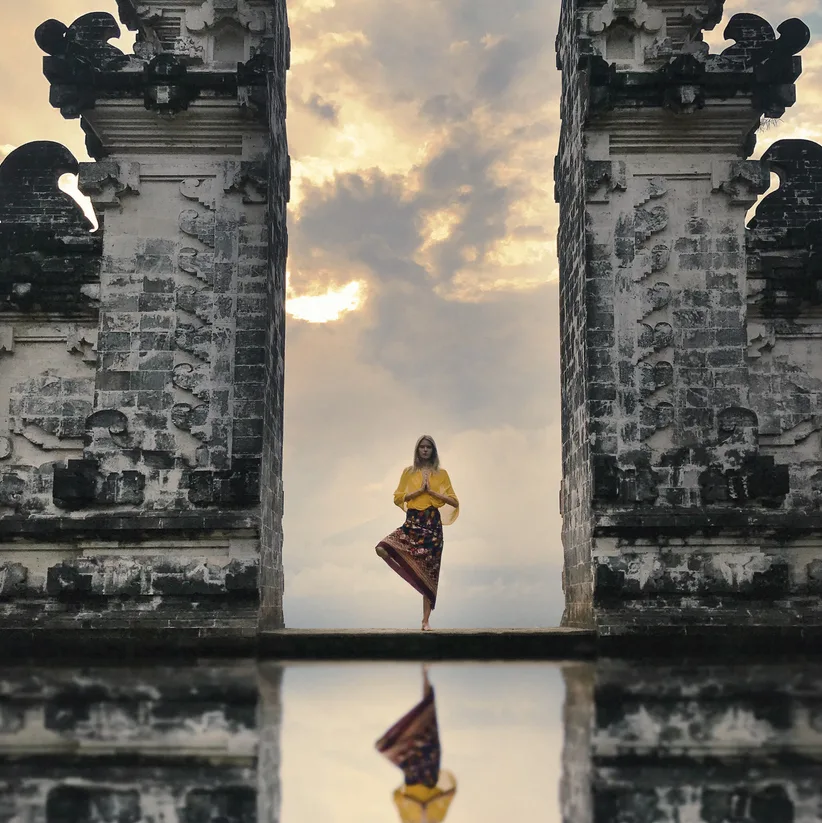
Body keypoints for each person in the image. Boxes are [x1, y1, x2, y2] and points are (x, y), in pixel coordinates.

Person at [376, 435, 459, 631]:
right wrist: (417, 492)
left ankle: (425, 621)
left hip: (432, 524)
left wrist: (432, 493)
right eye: (421, 447)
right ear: (417, 450)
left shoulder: (441, 474)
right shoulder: (408, 472)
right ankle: (412, 573)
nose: (424, 450)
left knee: (430, 572)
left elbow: (454, 501)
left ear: (433, 451)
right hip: (413, 522)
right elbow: (397, 498)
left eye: (428, 447)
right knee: (382, 548)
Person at [375, 665, 457, 823]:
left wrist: (416, 801)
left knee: (427, 731)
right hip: (424, 774)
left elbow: (397, 798)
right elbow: (397, 797)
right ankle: (425, 677)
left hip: (418, 776)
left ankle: (425, 677)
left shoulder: (412, 820)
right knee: (428, 731)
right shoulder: (432, 819)